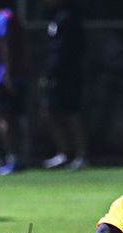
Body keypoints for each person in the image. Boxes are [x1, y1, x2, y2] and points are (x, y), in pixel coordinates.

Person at [39, 0, 88, 171]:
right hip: (56, 75)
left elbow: (66, 50)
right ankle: (64, 152)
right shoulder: (56, 18)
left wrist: (55, 72)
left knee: (71, 113)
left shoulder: (69, 17)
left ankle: (81, 155)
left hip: (68, 75)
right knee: (52, 111)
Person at [0, 0, 28, 175]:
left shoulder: (2, 17)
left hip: (6, 76)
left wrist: (8, 73)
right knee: (14, 117)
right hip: (16, 75)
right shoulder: (12, 16)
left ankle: (13, 158)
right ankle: (17, 157)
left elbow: (5, 44)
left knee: (6, 118)